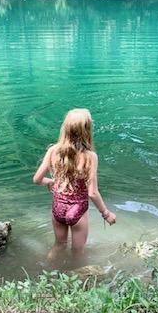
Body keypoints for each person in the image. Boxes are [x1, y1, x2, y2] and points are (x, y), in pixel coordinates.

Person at [33, 109, 116, 256]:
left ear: (65, 129)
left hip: (58, 208)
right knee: (78, 251)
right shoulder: (90, 157)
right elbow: (92, 192)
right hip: (77, 210)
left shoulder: (53, 151)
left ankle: (49, 271)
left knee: (59, 246)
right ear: (87, 131)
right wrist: (106, 213)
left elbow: (37, 179)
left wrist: (50, 182)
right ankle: (77, 274)